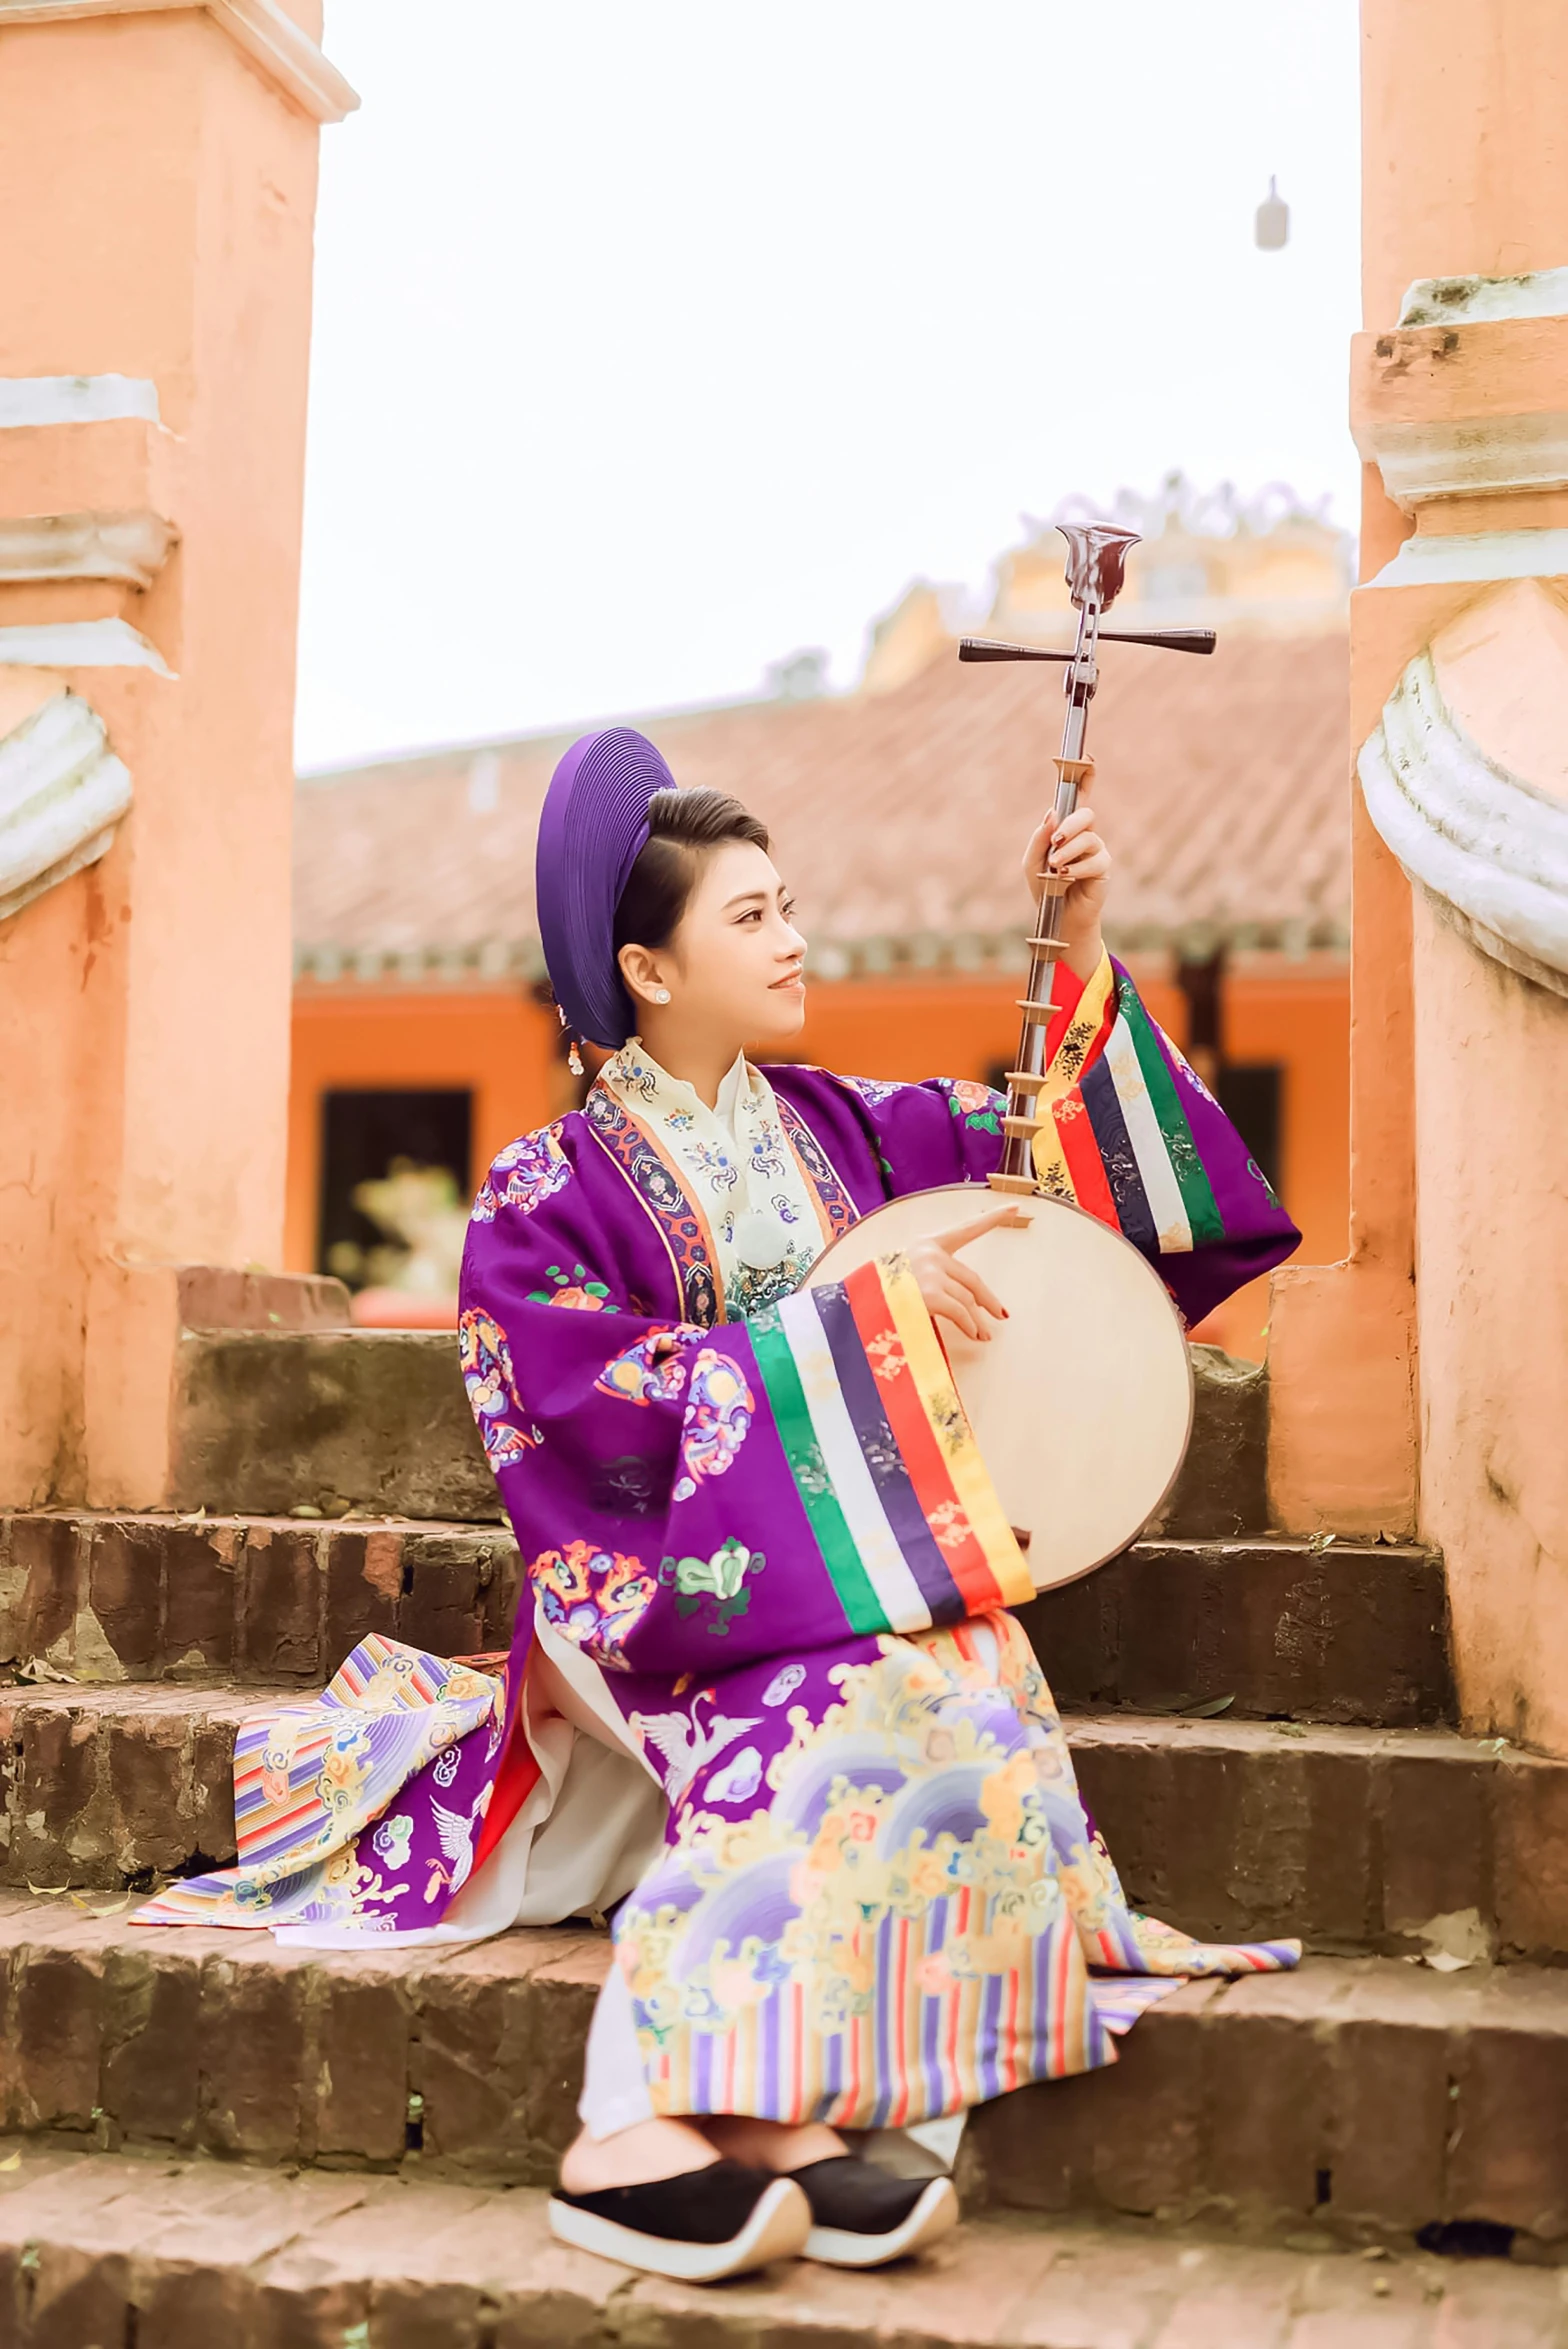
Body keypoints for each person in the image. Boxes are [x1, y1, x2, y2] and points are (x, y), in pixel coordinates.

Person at [137, 727, 1302, 2285]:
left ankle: (795, 2113)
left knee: (969, 1680)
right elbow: (569, 1406)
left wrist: (1076, 946)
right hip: (654, 1583)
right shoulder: (545, 1192)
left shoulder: (840, 1130)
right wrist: (847, 1322)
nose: (796, 936)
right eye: (751, 915)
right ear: (651, 967)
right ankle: (629, 2130)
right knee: (820, 1707)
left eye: (789, 902)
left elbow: (1052, 1180)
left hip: (848, 1567)